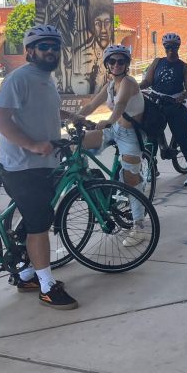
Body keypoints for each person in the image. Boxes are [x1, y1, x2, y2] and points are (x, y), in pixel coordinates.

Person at [0, 25, 78, 309]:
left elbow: (47, 108)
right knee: (39, 225)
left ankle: (28, 274)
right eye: (44, 47)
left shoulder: (46, 78)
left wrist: (74, 117)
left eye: (54, 46)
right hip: (22, 166)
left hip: (43, 164)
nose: (50, 51)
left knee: (39, 217)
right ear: (30, 51)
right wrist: (32, 145)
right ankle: (47, 287)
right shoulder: (19, 78)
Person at [75, 44, 149, 246]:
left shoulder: (129, 82)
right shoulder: (109, 84)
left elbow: (120, 106)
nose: (116, 65)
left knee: (130, 180)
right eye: (112, 61)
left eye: (121, 61)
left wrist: (107, 120)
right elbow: (91, 105)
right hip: (114, 130)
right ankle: (90, 183)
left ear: (127, 64)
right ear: (107, 64)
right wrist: (76, 117)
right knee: (76, 144)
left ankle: (139, 226)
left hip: (130, 135)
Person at [140, 32, 187, 186]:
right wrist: (134, 87)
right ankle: (152, 169)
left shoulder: (184, 67)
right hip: (156, 103)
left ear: (178, 47)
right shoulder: (157, 62)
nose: (170, 50)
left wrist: (181, 97)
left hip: (174, 105)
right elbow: (147, 80)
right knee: (150, 138)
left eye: (173, 47)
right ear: (164, 47)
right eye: (167, 47)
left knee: (183, 139)